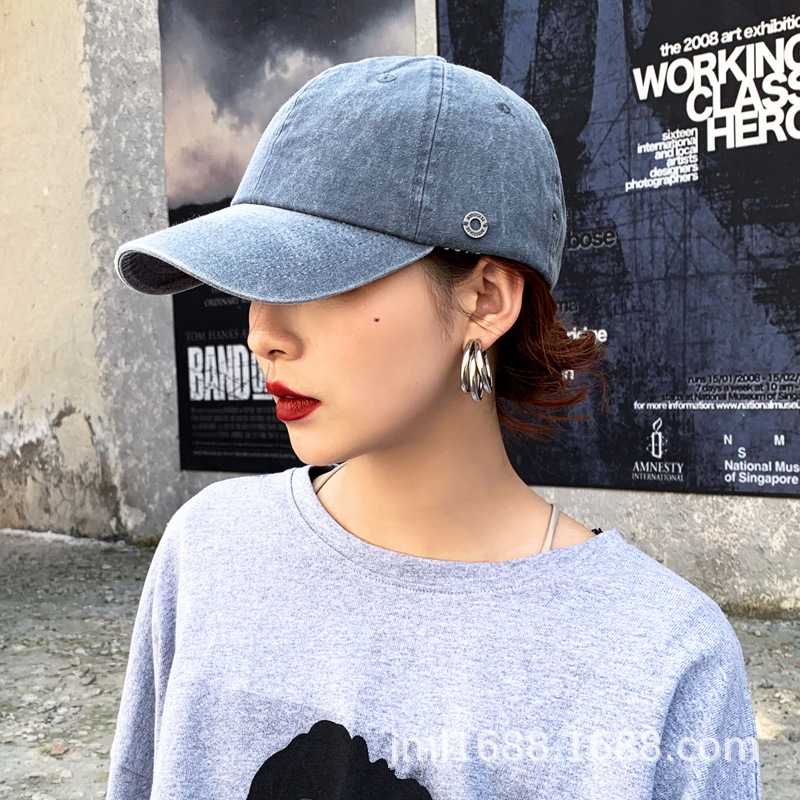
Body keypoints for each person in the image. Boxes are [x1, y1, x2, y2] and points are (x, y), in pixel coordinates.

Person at [107, 55, 762, 799]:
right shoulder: (208, 553)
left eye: (319, 277)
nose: (263, 333)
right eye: (255, 281)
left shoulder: (660, 659)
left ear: (485, 300)